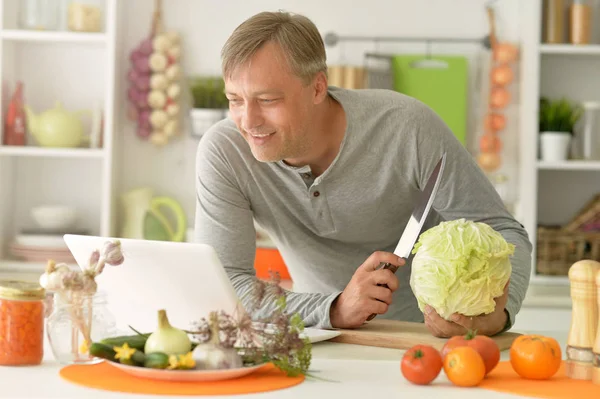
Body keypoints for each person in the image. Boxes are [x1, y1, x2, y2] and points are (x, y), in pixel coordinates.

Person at [194, 10, 532, 337]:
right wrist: (335, 309)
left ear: (317, 88)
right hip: (313, 337)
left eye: (267, 99)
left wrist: (497, 316)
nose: (248, 121)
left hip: (422, 340)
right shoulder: (225, 152)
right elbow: (223, 284)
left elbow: (502, 231)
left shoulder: (407, 128)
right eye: (235, 99)